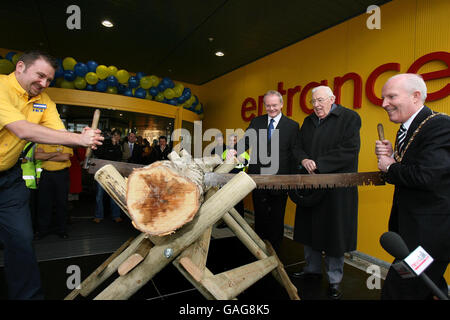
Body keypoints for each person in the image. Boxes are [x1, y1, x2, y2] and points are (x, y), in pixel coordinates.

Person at [0, 50, 103, 299]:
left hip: (8, 179)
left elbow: (60, 134)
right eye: (40, 76)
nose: (44, 84)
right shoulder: (1, 87)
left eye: (49, 80)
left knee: (22, 239)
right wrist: (78, 138)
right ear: (21, 67)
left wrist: (82, 137)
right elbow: (23, 130)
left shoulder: (44, 100)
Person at [375, 73, 450, 300]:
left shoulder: (440, 126)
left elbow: (427, 176)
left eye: (391, 96)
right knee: (430, 288)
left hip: (429, 236)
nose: (384, 103)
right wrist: (393, 158)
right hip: (411, 231)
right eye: (383, 97)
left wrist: (390, 167)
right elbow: (412, 172)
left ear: (416, 96)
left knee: (399, 291)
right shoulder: (406, 129)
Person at [290, 85, 361, 300]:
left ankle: (334, 280)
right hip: (311, 187)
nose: (317, 105)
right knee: (309, 230)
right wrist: (303, 159)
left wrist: (319, 164)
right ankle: (311, 270)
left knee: (334, 235)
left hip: (336, 190)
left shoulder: (349, 117)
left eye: (321, 100)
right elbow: (297, 146)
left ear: (333, 99)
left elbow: (349, 150)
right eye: (313, 101)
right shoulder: (308, 121)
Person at [240, 90, 301, 252]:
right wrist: (234, 150)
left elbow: (295, 153)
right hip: (257, 178)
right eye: (268, 105)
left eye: (275, 105)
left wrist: (293, 179)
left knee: (277, 218)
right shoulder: (257, 122)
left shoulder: (292, 126)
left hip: (280, 181)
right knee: (260, 217)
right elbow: (245, 141)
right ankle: (259, 250)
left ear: (281, 104)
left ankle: (274, 253)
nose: (271, 109)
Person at [34, 144, 73, 240]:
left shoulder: (66, 141)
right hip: (46, 175)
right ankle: (43, 230)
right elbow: (37, 156)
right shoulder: (43, 141)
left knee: (62, 203)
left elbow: (65, 157)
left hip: (61, 175)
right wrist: (55, 153)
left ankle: (62, 230)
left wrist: (46, 156)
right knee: (44, 203)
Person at [93, 128, 123, 223]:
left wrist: (115, 145)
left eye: (118, 136)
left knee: (114, 195)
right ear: (112, 136)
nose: (116, 137)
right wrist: (111, 146)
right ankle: (98, 216)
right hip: (102, 172)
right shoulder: (105, 143)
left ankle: (116, 215)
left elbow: (119, 157)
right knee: (99, 195)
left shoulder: (119, 146)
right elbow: (99, 153)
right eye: (115, 135)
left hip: (113, 173)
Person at [222, 134, 250, 218]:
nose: (232, 142)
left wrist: (241, 160)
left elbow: (248, 164)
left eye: (234, 140)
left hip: (238, 181)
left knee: (237, 201)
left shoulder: (243, 152)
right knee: (226, 201)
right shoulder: (225, 152)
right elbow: (222, 164)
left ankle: (240, 219)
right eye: (230, 140)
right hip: (226, 181)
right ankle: (226, 221)